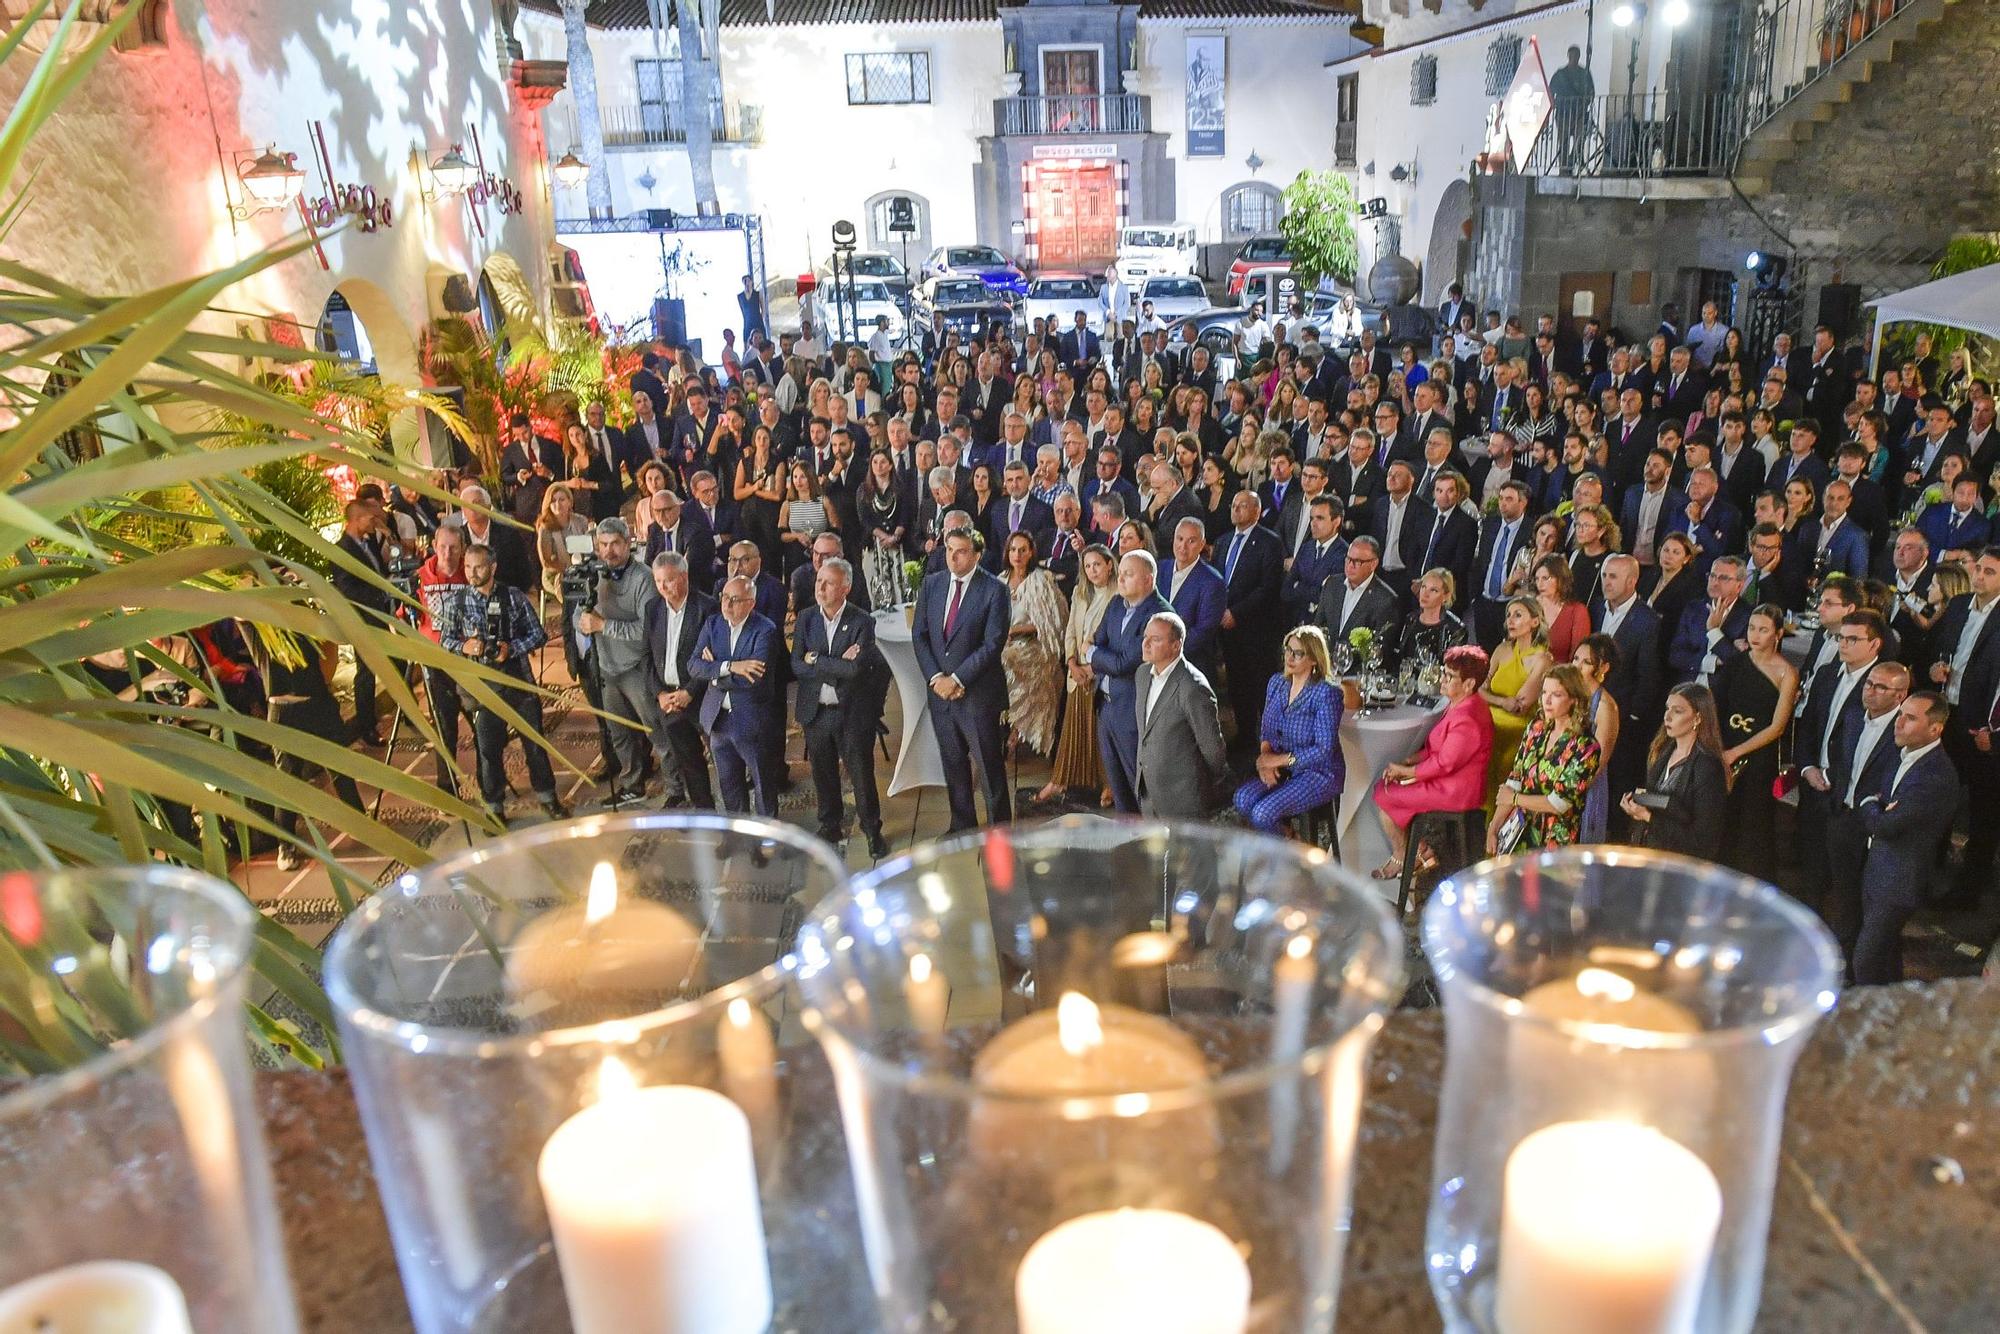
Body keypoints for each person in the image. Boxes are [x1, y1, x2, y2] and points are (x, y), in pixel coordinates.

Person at [437, 543, 566, 825]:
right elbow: (444, 641)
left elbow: (538, 634)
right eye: (468, 567)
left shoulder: (513, 597)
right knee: (487, 750)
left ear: (492, 568)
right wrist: (465, 647)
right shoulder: (457, 603)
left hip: (518, 680)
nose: (472, 573)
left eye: (479, 567)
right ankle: (493, 808)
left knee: (534, 743)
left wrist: (513, 647)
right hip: (482, 687)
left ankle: (548, 797)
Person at [912, 528, 1013, 831]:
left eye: (962, 551)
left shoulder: (994, 590)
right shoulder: (932, 584)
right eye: (949, 550)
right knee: (953, 764)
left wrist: (956, 679)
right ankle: (962, 826)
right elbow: (920, 635)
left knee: (989, 768)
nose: (953, 557)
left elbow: (992, 644)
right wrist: (935, 678)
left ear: (977, 555)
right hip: (940, 695)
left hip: (977, 695)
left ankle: (1000, 832)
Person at [1854, 693, 1959, 984]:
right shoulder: (1904, 755)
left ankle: (1867, 1021)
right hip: (1880, 870)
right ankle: (1890, 1013)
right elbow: (1883, 805)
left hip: (1899, 880)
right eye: (1901, 714)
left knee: (1866, 960)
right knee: (1885, 955)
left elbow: (1885, 825)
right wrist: (1879, 807)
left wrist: (1868, 804)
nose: (1898, 723)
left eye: (1910, 718)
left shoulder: (1935, 776)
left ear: (1935, 729)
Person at [793, 556, 889, 858]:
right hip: (816, 712)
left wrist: (816, 659)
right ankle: (829, 824)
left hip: (851, 714)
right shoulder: (807, 617)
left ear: (845, 588)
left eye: (828, 583)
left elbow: (856, 670)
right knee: (822, 775)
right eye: (819, 581)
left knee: (861, 776)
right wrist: (833, 662)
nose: (820, 587)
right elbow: (797, 664)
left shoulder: (862, 621)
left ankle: (872, 831)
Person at [1373, 645, 1496, 878]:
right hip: (1446, 780)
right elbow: (1436, 750)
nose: (1442, 679)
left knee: (1385, 793)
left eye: (1450, 676)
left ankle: (1406, 856)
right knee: (1385, 788)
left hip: (1456, 789)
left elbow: (1444, 764)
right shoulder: (1459, 703)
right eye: (1444, 672)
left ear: (1469, 684)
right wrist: (1410, 761)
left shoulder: (1468, 717)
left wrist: (1406, 770)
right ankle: (1419, 852)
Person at [1822, 660, 1912, 967]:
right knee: (1844, 897)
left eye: (1880, 687)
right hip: (1844, 819)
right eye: (1868, 684)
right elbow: (1843, 761)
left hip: (1876, 828)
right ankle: (1843, 963)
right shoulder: (1853, 718)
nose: (1870, 691)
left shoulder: (1903, 731)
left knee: (1871, 904)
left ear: (1899, 695)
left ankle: (1868, 966)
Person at [574, 518, 662, 805]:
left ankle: (677, 787)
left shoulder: (643, 578)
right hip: (606, 665)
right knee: (619, 733)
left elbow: (644, 630)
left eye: (615, 544)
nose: (609, 551)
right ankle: (632, 785)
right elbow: (578, 613)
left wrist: (603, 626)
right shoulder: (593, 574)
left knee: (656, 729)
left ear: (627, 544)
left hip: (636, 666)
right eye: (603, 545)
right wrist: (583, 624)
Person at [1711, 604, 1800, 879]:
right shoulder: (1736, 663)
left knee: (1754, 822)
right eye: (1751, 628)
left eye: (1763, 629)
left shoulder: (1786, 673)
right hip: (1725, 745)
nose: (1755, 635)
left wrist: (1737, 751)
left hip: (1759, 755)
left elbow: (1777, 727)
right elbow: (1716, 706)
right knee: (1724, 815)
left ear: (1778, 634)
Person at [1232, 625, 1344, 834]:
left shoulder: (1326, 694)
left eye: (1298, 653)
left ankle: (1285, 860)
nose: (1290, 657)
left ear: (1313, 659)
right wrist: (1266, 759)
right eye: (1288, 650)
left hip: (1318, 773)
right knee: (1242, 798)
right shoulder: (1276, 683)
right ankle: (1288, 840)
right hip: (1282, 767)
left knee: (1263, 813)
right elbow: (1265, 729)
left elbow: (1323, 750)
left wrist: (1278, 761)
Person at [688, 575, 782, 816]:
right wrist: (730, 666)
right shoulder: (713, 624)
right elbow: (694, 666)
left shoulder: (765, 630)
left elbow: (753, 678)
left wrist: (715, 671)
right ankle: (738, 834)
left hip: (751, 720)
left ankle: (766, 836)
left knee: (763, 784)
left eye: (735, 600)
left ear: (751, 603)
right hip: (718, 719)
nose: (727, 605)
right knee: (729, 784)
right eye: (725, 598)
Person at [1091, 548, 1174, 813]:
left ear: (1148, 580)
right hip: (1106, 707)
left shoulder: (1158, 616)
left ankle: (1150, 846)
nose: (1121, 579)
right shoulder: (1116, 604)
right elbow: (1098, 639)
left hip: (1132, 711)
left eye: (1128, 574)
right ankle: (1129, 845)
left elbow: (1122, 664)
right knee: (1118, 786)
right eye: (1121, 573)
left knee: (1139, 787)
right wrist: (1098, 653)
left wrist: (1094, 654)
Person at [1037, 543, 1117, 807]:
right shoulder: (1080, 593)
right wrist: (1071, 662)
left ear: (1109, 565)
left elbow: (1116, 639)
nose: (1093, 571)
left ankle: (1110, 783)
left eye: (1097, 564)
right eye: (1088, 566)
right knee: (1073, 728)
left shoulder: (1118, 595)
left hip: (1102, 672)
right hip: (1077, 672)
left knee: (1102, 733)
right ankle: (1060, 779)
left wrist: (1092, 668)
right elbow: (1071, 630)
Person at [1490, 664, 1602, 851]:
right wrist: (1494, 827)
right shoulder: (1536, 729)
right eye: (1544, 693)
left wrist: (1515, 799)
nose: (1547, 700)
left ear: (1574, 699)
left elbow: (1558, 803)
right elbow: (1515, 780)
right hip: (1518, 831)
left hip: (1555, 840)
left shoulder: (1586, 746)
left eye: (1556, 695)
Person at [640, 551, 716, 811]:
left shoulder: (706, 607)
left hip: (702, 697)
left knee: (722, 757)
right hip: (669, 700)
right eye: (658, 581)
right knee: (689, 763)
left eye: (669, 580)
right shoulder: (652, 608)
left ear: (684, 577)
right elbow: (646, 656)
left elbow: (713, 657)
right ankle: (705, 813)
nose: (662, 587)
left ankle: (735, 816)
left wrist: (691, 691)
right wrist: (660, 693)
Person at [1133, 611, 1227, 818]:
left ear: (1176, 645)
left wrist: (1207, 784)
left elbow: (1212, 747)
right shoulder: (1142, 675)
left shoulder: (1192, 686)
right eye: (1145, 637)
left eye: (1155, 639)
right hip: (1149, 793)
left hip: (1184, 799)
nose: (1146, 644)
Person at [1620, 684, 1729, 857]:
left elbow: (1703, 840)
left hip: (1681, 866)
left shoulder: (1708, 767)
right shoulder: (1661, 751)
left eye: (1677, 711)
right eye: (1667, 709)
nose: (1667, 717)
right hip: (1649, 854)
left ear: (1698, 718)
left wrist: (1648, 817)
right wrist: (1637, 804)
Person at [999, 530, 1069, 757]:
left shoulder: (1041, 581)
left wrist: (1016, 630)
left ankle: (1018, 728)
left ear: (1031, 553)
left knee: (1010, 662)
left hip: (1035, 645)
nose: (1017, 555)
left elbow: (1052, 623)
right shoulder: (999, 581)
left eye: (1022, 550)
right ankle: (1002, 726)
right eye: (1013, 550)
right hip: (1004, 643)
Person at [330, 498, 393, 745]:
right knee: (366, 671)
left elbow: (379, 570)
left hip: (379, 613)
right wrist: (379, 593)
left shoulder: (368, 543)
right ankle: (367, 727)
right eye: (369, 518)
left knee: (397, 662)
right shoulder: (341, 551)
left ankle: (408, 713)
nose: (374, 521)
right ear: (356, 520)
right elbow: (348, 589)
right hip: (363, 619)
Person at [414, 522, 470, 794]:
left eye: (453, 548)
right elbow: (403, 617)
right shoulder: (419, 578)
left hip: (468, 660)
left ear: (462, 549)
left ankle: (489, 784)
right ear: (434, 546)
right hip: (435, 661)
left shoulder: (470, 573)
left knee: (484, 722)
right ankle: (447, 786)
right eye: (443, 547)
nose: (447, 553)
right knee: (444, 726)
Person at [1482, 596, 1554, 801]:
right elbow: (1480, 687)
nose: (1510, 621)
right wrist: (1502, 701)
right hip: (1490, 716)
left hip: (1518, 727)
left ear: (1535, 621)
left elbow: (1520, 706)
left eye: (1518, 615)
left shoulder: (1542, 658)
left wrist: (1494, 699)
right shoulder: (1502, 648)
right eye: (1508, 615)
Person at [1570, 634, 1622, 844]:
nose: (1577, 666)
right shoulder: (1567, 695)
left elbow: (1598, 764)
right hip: (1555, 784)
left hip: (1584, 790)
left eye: (1586, 662)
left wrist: (1567, 790)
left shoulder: (1605, 707)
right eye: (1575, 659)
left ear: (1603, 668)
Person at [535, 483, 591, 606]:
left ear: (570, 502)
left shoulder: (581, 521)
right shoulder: (545, 528)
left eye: (562, 499)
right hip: (555, 573)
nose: (557, 504)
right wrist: (568, 570)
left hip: (581, 568)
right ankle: (572, 615)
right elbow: (546, 562)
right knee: (567, 586)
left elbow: (589, 548)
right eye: (553, 500)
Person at [1398, 568, 1469, 665]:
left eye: (1433, 590)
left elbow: (1451, 668)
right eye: (1423, 587)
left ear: (1446, 596)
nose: (1425, 594)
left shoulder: (1456, 629)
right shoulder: (1411, 618)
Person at [1531, 554, 1590, 663]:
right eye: (1537, 579)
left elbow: (1577, 658)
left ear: (1561, 579)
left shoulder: (1577, 611)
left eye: (1545, 578)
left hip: (1559, 675)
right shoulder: (1529, 605)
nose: (1540, 584)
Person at [1549, 44, 1594, 173]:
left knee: (1580, 140)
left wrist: (1584, 103)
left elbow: (1591, 92)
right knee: (1563, 142)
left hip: (1579, 113)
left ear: (1579, 56)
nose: (1574, 58)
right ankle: (1564, 168)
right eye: (1572, 55)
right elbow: (1550, 91)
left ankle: (1571, 160)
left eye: (1576, 55)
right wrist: (1554, 105)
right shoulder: (1560, 74)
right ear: (1568, 56)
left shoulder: (1584, 74)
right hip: (1563, 114)